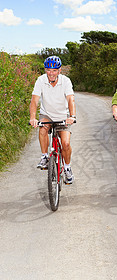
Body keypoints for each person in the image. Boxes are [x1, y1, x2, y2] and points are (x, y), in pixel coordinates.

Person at [29, 55, 76, 184]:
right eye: (48, 70)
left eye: (54, 70)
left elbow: (70, 99)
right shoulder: (40, 80)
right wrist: (32, 118)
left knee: (65, 144)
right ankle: (44, 156)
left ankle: (67, 168)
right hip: (47, 114)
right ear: (45, 70)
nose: (51, 73)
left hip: (63, 116)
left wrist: (72, 116)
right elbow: (34, 100)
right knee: (43, 128)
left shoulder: (65, 81)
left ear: (59, 71)